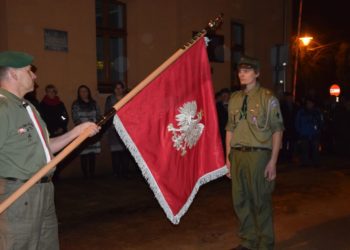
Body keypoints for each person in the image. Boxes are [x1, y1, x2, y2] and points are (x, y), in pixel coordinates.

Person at [0, 51, 100, 250]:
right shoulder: (3, 107)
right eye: (29, 71)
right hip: (20, 195)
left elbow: (48, 146)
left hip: (44, 191)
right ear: (13, 74)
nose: (35, 76)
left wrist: (77, 132)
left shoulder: (28, 106)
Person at [225, 56, 284, 250]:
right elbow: (229, 129)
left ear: (257, 73)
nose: (242, 74)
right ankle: (248, 241)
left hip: (259, 156)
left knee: (260, 201)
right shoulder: (234, 98)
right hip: (237, 155)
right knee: (240, 201)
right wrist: (228, 159)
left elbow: (277, 130)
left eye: (247, 70)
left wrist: (273, 162)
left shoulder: (268, 98)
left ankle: (265, 243)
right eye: (240, 71)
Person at [72, 84, 101, 179]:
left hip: (93, 132)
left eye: (85, 91)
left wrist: (94, 126)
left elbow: (98, 116)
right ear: (79, 93)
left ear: (88, 92)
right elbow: (75, 118)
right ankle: (85, 176)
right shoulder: (76, 104)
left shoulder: (94, 103)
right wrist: (83, 129)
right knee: (84, 154)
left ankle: (92, 174)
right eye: (81, 91)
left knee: (92, 154)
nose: (83, 93)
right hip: (82, 133)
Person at [104, 82, 129, 178]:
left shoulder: (127, 98)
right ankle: (116, 172)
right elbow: (107, 113)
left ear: (123, 89)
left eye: (120, 88)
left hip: (125, 128)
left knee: (125, 152)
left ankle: (125, 172)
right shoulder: (110, 99)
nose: (118, 90)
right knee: (115, 152)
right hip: (113, 128)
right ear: (114, 89)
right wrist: (113, 123)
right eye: (116, 88)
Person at [295, 97, 323, 167]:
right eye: (308, 103)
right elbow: (297, 122)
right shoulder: (301, 112)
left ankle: (316, 162)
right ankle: (305, 162)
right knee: (304, 149)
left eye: (310, 103)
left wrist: (318, 129)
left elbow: (321, 122)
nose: (309, 104)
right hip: (304, 133)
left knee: (315, 149)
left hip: (314, 134)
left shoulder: (317, 112)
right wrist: (300, 131)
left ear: (313, 104)